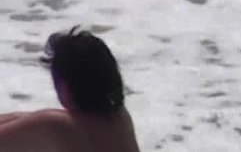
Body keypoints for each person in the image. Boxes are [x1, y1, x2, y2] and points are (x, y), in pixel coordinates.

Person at [0, 28, 141, 152]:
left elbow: (40, 121)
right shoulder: (120, 117)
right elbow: (27, 118)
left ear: (65, 87)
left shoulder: (58, 125)